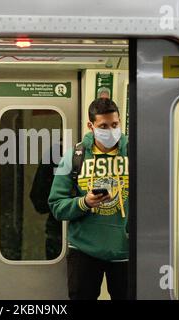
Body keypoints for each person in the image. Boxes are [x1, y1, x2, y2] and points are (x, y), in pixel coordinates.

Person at [48, 98, 129, 300]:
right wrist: (84, 203)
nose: (110, 130)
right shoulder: (72, 157)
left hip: (126, 250)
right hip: (84, 250)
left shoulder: (135, 153)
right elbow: (56, 206)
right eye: (103, 126)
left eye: (114, 125)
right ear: (90, 126)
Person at [30, 142, 63, 260]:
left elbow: (38, 199)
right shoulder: (56, 153)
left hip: (58, 231)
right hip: (60, 233)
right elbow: (38, 199)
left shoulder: (56, 153)